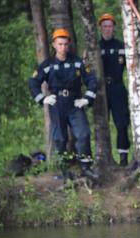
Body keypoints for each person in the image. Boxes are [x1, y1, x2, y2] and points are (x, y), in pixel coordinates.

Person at [29, 28, 98, 180]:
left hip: (75, 103)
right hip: (57, 103)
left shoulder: (77, 62)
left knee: (83, 133)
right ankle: (64, 171)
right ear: (53, 44)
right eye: (60, 44)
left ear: (69, 44)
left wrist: (87, 98)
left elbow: (92, 79)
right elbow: (33, 82)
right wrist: (42, 99)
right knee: (60, 138)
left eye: (65, 44)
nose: (63, 48)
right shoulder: (47, 65)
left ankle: (86, 167)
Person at [98, 13, 131, 167]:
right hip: (101, 90)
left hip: (117, 87)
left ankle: (123, 157)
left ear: (114, 28)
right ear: (100, 28)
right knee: (101, 123)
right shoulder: (95, 47)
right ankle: (103, 158)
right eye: (104, 26)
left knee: (122, 123)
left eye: (110, 26)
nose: (107, 29)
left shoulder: (121, 46)